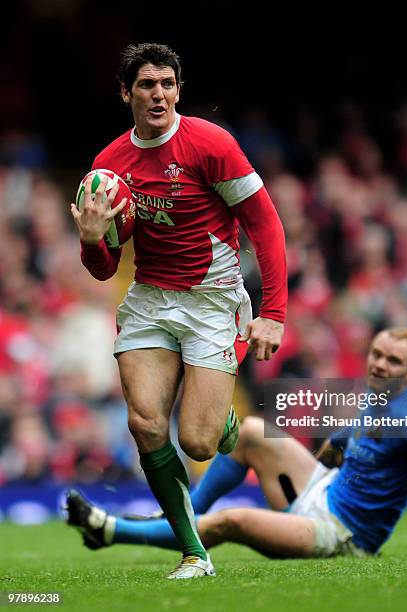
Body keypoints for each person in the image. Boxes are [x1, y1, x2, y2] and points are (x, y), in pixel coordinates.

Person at [70, 43, 287, 579]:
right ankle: (195, 553)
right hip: (150, 297)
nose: (159, 94)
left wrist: (274, 312)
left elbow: (265, 224)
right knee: (145, 423)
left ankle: (227, 424)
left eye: (168, 83)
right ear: (127, 93)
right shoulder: (109, 165)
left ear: (179, 90)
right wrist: (92, 241)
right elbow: (103, 268)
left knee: (197, 439)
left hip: (213, 298)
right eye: (147, 85)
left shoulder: (211, 144)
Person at [66, 328, 407, 562]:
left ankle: (110, 530)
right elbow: (349, 441)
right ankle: (190, 505)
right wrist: (326, 458)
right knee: (249, 431)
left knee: (234, 522)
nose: (380, 364)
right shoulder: (376, 397)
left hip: (343, 534)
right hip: (323, 491)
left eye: (393, 362)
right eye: (377, 354)